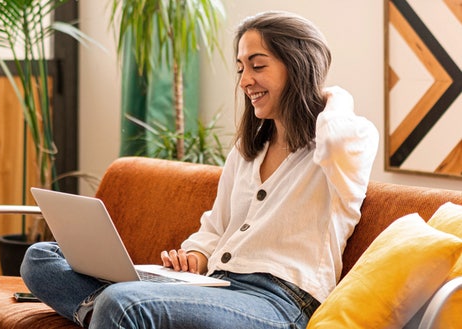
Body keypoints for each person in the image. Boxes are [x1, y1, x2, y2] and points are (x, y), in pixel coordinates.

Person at [20, 10, 379, 329]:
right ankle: (101, 315)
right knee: (40, 259)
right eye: (241, 68)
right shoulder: (248, 150)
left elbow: (335, 137)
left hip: (279, 304)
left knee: (121, 302)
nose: (245, 82)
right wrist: (196, 256)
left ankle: (106, 312)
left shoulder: (348, 141)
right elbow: (216, 225)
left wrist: (330, 93)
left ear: (297, 65)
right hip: (216, 286)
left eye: (258, 65)